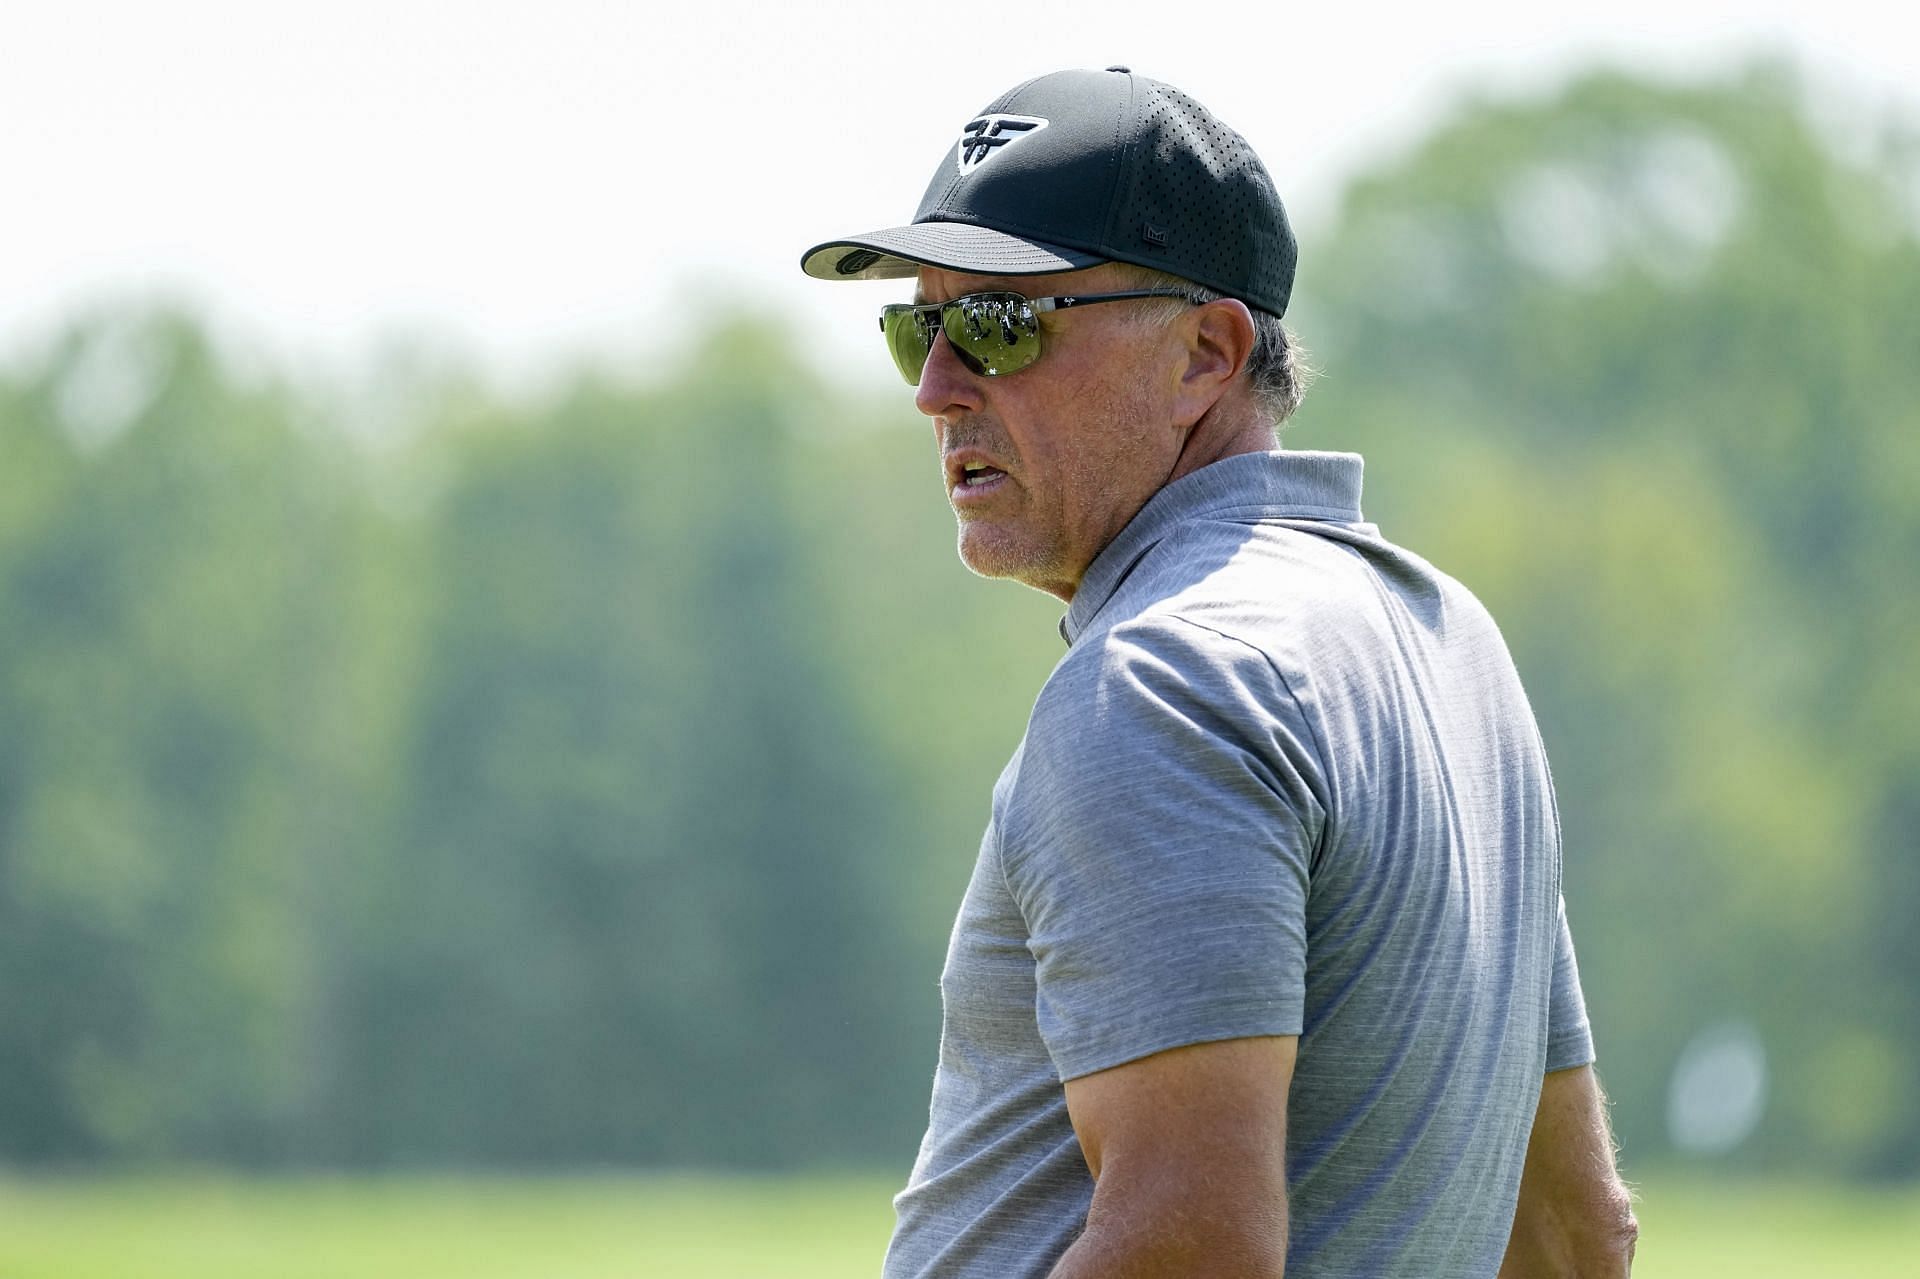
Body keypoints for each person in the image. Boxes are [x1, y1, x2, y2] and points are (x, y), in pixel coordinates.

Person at [801, 67, 1638, 1278]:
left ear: (1206, 353)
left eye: (999, 323)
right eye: (914, 327)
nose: (936, 388)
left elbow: (1186, 1248)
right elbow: (1572, 1235)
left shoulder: (1162, 679)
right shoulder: (1451, 642)